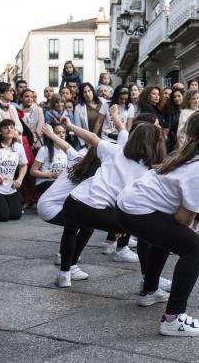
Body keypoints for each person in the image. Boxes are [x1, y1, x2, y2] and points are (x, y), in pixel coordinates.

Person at [115, 109, 199, 337]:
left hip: (129, 205)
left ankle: (150, 290)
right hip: (137, 210)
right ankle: (174, 319)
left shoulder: (194, 155)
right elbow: (184, 219)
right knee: (195, 247)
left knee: (167, 237)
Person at [57, 107, 166, 288]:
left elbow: (91, 138)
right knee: (147, 232)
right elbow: (134, 203)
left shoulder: (115, 150)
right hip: (98, 210)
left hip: (73, 202)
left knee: (71, 231)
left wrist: (69, 126)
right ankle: (149, 283)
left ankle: (64, 274)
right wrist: (121, 224)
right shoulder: (146, 172)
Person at [36, 124, 98, 267]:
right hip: (50, 207)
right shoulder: (94, 175)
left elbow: (65, 146)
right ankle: (70, 263)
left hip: (51, 204)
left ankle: (64, 256)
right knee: (86, 225)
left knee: (79, 223)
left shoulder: (78, 157)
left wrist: (51, 134)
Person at [0, 119, 28, 221]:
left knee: (15, 215)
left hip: (10, 187)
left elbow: (23, 165)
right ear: (0, 132)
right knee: (2, 216)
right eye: (5, 128)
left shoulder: (18, 147)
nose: (9, 130)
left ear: (15, 131)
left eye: (11, 127)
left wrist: (19, 180)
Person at [31, 124, 69, 195]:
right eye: (58, 133)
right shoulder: (44, 150)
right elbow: (33, 171)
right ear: (51, 135)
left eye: (63, 132)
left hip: (60, 183)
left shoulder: (67, 152)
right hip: (45, 182)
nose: (61, 135)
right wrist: (51, 175)